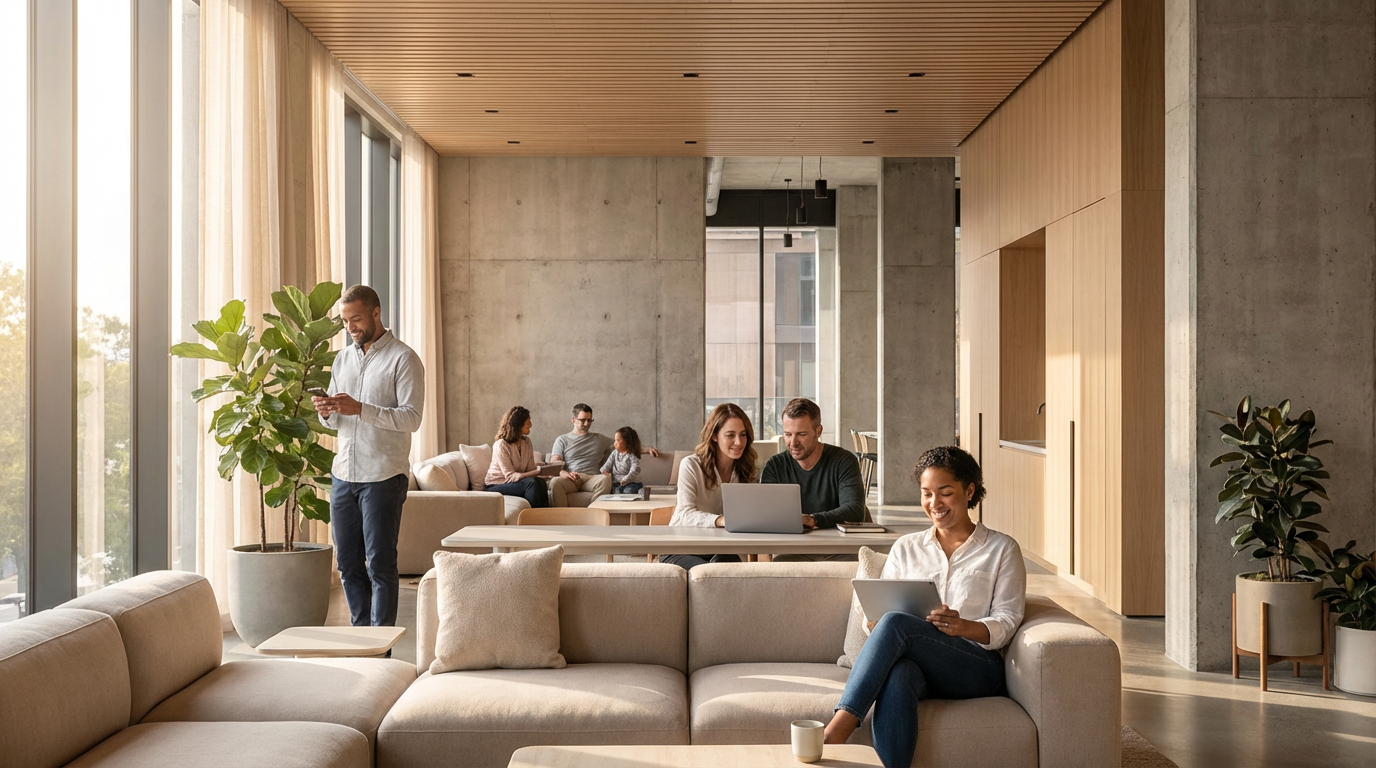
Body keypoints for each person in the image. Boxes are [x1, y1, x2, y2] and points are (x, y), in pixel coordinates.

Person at [821, 446, 1026, 768]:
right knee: (900, 670)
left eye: (945, 493)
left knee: (896, 624)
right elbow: (881, 610)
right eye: (927, 494)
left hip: (975, 667)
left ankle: (838, 728)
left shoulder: (1001, 549)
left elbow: (1008, 618)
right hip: (919, 663)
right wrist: (873, 624)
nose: (935, 504)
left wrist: (964, 627)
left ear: (969, 490)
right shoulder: (907, 547)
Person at [312, 284, 424, 630]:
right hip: (344, 474)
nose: (351, 328)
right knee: (347, 564)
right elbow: (331, 417)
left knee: (380, 564)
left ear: (376, 313)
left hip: (383, 476)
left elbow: (412, 418)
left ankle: (381, 645)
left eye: (356, 319)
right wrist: (326, 411)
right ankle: (362, 637)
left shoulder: (404, 359)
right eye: (346, 321)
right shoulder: (342, 359)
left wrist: (361, 409)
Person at [662, 402, 758, 570]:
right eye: (730, 435)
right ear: (714, 436)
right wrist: (720, 520)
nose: (738, 442)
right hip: (682, 548)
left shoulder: (747, 470)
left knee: (732, 575)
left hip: (722, 549)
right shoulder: (691, 465)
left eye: (743, 435)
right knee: (709, 574)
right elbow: (685, 513)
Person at [761, 397, 867, 532]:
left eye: (801, 434)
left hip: (839, 547)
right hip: (795, 547)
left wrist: (813, 520)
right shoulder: (775, 466)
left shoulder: (843, 461)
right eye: (788, 434)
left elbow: (855, 510)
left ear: (818, 431)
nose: (793, 442)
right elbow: (766, 515)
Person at [548, 403, 658, 506]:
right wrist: (562, 472)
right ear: (573, 420)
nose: (586, 424)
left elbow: (625, 445)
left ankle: (594, 514)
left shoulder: (599, 439)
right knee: (555, 482)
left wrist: (648, 449)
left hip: (592, 478)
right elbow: (555, 461)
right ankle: (561, 519)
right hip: (572, 478)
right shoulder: (562, 440)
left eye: (589, 420)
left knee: (605, 479)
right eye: (582, 420)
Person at [484, 406, 551, 508]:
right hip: (496, 485)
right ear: (518, 425)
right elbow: (511, 476)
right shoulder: (501, 445)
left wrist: (544, 471)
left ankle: (545, 516)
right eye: (528, 423)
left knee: (540, 482)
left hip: (516, 482)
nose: (531, 425)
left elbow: (530, 469)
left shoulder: (526, 442)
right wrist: (537, 471)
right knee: (531, 483)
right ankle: (533, 519)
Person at [600, 426, 644, 495]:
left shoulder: (632, 455)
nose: (615, 443)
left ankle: (639, 493)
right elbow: (607, 465)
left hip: (631, 483)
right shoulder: (614, 453)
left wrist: (626, 479)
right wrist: (604, 471)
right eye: (615, 440)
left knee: (628, 491)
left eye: (618, 440)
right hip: (617, 483)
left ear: (627, 441)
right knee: (616, 492)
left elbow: (635, 469)